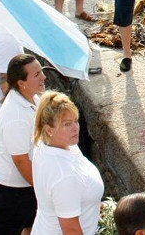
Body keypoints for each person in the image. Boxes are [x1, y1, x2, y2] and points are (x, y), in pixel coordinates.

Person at [0, 53, 44, 234]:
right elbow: (21, 160)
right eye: (37, 75)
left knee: (32, 228)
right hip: (10, 193)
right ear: (21, 83)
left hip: (23, 188)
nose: (43, 77)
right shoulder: (16, 116)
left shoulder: (33, 98)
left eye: (41, 71)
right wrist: (42, 188)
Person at [30, 91, 104, 235]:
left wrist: (92, 204)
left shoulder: (47, 144)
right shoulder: (65, 176)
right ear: (49, 130)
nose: (75, 128)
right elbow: (71, 230)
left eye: (75, 121)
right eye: (67, 124)